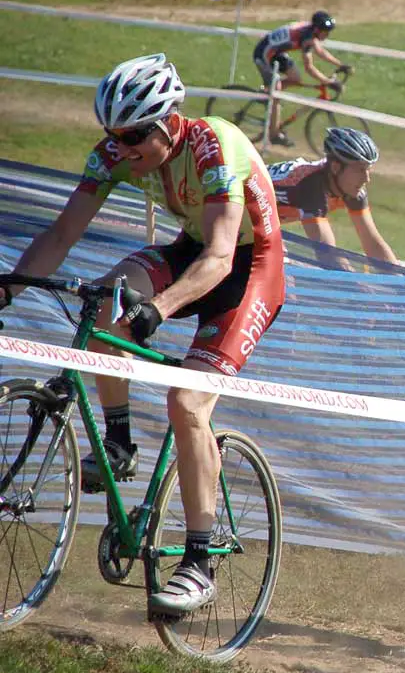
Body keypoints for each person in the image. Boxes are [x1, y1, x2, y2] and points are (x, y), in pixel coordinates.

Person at [0, 53, 286, 616]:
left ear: (166, 123)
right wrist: (8, 289)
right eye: (114, 136)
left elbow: (223, 257)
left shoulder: (213, 145)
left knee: (187, 401)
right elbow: (62, 232)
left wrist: (158, 308)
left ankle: (200, 564)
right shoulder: (116, 153)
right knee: (104, 304)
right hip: (190, 250)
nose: (123, 150)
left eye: (133, 137)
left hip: (249, 268)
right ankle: (120, 441)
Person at [268, 127, 399, 266]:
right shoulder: (311, 186)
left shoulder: (351, 188)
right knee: (283, 276)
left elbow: (372, 242)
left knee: (284, 275)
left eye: (368, 170)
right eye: (360, 170)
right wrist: (356, 284)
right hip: (246, 211)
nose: (366, 179)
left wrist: (400, 282)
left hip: (262, 221)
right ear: (336, 167)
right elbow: (327, 254)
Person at [252, 10, 349, 147]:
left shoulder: (310, 33)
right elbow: (309, 67)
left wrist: (340, 64)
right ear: (316, 29)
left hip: (276, 52)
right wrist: (328, 82)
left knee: (295, 78)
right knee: (277, 92)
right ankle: (274, 135)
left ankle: (266, 92)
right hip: (263, 54)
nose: (327, 35)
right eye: (325, 32)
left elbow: (320, 52)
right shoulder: (307, 38)